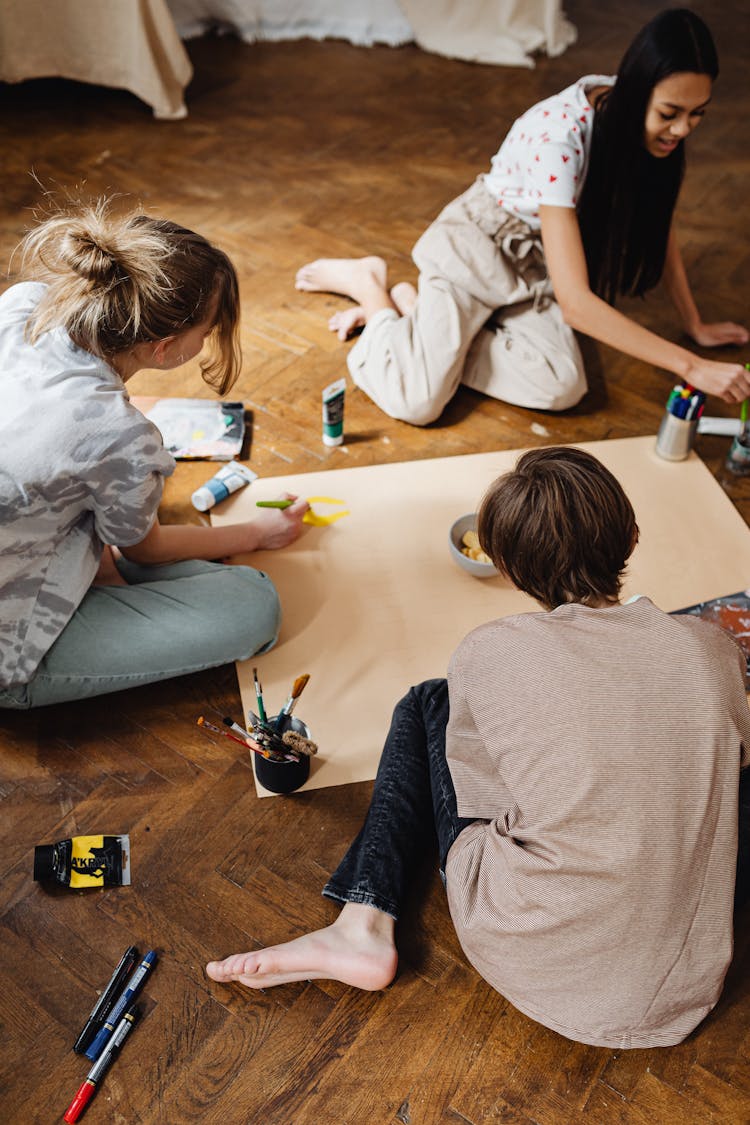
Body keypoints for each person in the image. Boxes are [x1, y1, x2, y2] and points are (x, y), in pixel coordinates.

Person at [207, 446, 750, 1049]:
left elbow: (485, 797)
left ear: (507, 570)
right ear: (631, 535)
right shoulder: (714, 648)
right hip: (686, 984)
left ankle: (364, 921)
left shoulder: (491, 650)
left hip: (533, 950)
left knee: (426, 702)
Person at [295, 9, 750, 426]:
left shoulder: (650, 124)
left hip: (538, 259)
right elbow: (576, 302)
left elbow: (657, 220)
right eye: (671, 114)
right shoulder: (560, 137)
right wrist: (690, 365)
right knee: (418, 402)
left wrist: (694, 323)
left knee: (562, 385)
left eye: (697, 115)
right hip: (479, 243)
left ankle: (418, 317)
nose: (683, 129)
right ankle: (371, 290)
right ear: (636, 91)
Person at [0, 200, 308, 709]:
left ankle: (104, 566)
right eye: (206, 330)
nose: (210, 336)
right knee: (255, 605)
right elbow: (145, 549)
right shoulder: (119, 436)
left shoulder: (25, 302)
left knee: (121, 521)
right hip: (12, 645)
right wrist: (259, 532)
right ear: (164, 348)